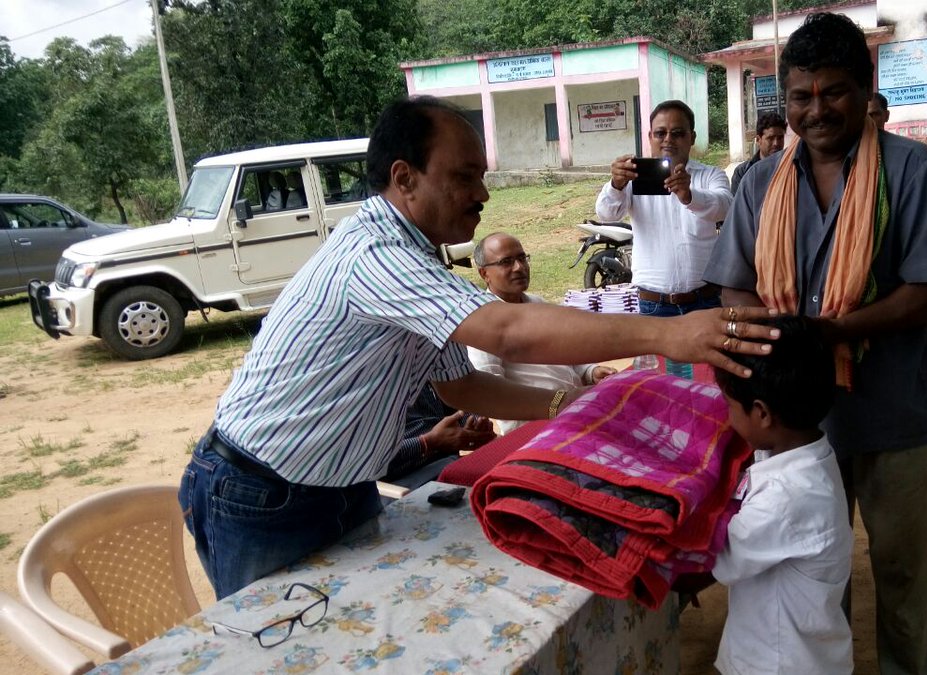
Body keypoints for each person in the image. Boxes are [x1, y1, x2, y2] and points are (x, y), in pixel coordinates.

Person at [179, 96, 777, 599]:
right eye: (465, 176)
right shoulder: (375, 255)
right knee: (276, 647)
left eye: (482, 175)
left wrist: (562, 408)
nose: (483, 193)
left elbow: (460, 386)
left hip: (338, 487)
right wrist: (671, 332)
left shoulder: (418, 260)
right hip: (260, 493)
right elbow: (505, 331)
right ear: (404, 178)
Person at [704, 13, 927, 674]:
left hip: (893, 412)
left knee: (906, 575)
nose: (816, 110)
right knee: (816, 572)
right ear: (784, 99)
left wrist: (834, 331)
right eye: (800, 96)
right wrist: (777, 339)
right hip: (799, 422)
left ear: (866, 88)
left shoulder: (912, 170)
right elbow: (734, 289)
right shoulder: (760, 182)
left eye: (834, 91)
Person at [688, 315, 853, 674]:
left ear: (762, 413)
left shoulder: (787, 495)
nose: (727, 417)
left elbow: (715, 560)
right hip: (797, 651)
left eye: (731, 407)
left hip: (778, 663)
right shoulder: (804, 455)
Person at [466, 232, 616, 434]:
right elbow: (492, 390)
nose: (519, 267)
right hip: (537, 427)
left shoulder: (536, 304)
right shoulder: (482, 323)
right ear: (484, 274)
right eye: (506, 262)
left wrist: (590, 371)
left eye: (522, 258)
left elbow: (566, 351)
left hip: (576, 408)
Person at [596, 100, 732, 317]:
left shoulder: (710, 175)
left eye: (678, 133)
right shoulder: (632, 177)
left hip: (705, 300)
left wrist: (690, 196)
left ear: (692, 137)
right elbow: (606, 213)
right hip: (654, 304)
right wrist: (616, 185)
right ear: (650, 137)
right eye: (661, 133)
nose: (668, 139)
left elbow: (725, 207)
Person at [381, 382, 495, 488]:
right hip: (402, 485)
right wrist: (427, 442)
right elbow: (371, 459)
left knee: (505, 472)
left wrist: (474, 424)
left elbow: (453, 408)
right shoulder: (370, 387)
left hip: (448, 465)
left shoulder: (420, 370)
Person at [731, 111, 788, 196]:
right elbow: (737, 206)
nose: (776, 143)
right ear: (758, 140)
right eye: (770, 138)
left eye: (780, 138)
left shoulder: (792, 167)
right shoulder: (742, 172)